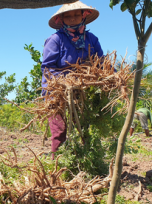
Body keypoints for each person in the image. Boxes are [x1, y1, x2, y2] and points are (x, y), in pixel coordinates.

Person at [41, 1, 103, 158]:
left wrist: (113, 76)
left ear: (83, 15)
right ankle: (57, 166)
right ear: (61, 19)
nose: (73, 19)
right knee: (59, 130)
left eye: (76, 14)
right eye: (68, 16)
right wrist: (68, 81)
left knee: (86, 128)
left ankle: (88, 162)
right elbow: (48, 69)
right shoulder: (55, 40)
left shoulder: (91, 39)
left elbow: (101, 63)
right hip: (56, 92)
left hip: (83, 91)